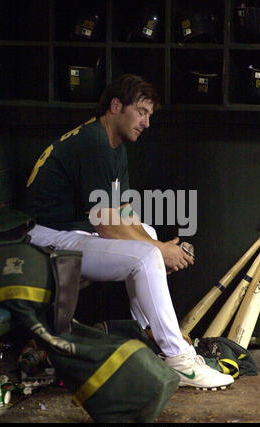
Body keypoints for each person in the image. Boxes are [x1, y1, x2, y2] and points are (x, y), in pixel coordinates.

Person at [24, 73, 234, 389]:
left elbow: (124, 214)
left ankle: (151, 335)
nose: (147, 123)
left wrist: (157, 244)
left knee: (147, 240)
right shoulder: (93, 142)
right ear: (116, 105)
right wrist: (159, 251)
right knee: (146, 256)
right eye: (141, 112)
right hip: (45, 237)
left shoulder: (114, 146)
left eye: (150, 115)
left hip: (72, 232)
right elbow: (105, 223)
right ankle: (178, 359)